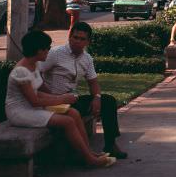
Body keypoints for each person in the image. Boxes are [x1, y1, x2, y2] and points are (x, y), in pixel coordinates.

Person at [6, 31, 115, 168]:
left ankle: (89, 152)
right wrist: (61, 98)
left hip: (32, 107)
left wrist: (60, 99)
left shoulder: (33, 65)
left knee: (73, 113)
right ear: (39, 50)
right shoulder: (21, 71)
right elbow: (34, 100)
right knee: (67, 121)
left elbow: (39, 93)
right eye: (47, 48)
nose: (48, 51)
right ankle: (89, 159)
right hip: (20, 112)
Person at [39, 23, 126, 160]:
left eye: (82, 39)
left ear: (88, 41)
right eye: (75, 37)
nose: (77, 41)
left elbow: (93, 82)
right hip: (54, 101)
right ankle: (81, 152)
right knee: (75, 112)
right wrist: (49, 95)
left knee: (108, 101)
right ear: (69, 36)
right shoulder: (55, 54)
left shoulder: (87, 59)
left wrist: (96, 98)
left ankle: (111, 145)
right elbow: (36, 73)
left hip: (72, 99)